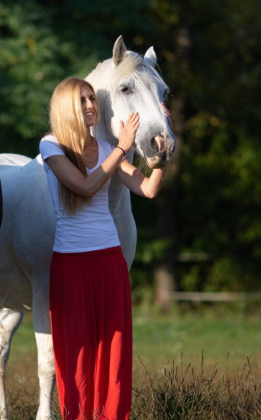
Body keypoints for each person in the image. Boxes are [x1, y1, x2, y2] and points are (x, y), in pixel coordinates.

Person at [39, 77, 166, 420]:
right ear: (66, 107)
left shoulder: (109, 150)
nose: (91, 105)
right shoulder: (51, 146)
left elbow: (148, 189)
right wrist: (122, 148)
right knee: (77, 358)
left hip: (110, 262)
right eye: (82, 100)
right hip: (71, 268)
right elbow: (84, 186)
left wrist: (161, 154)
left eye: (92, 98)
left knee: (115, 355)